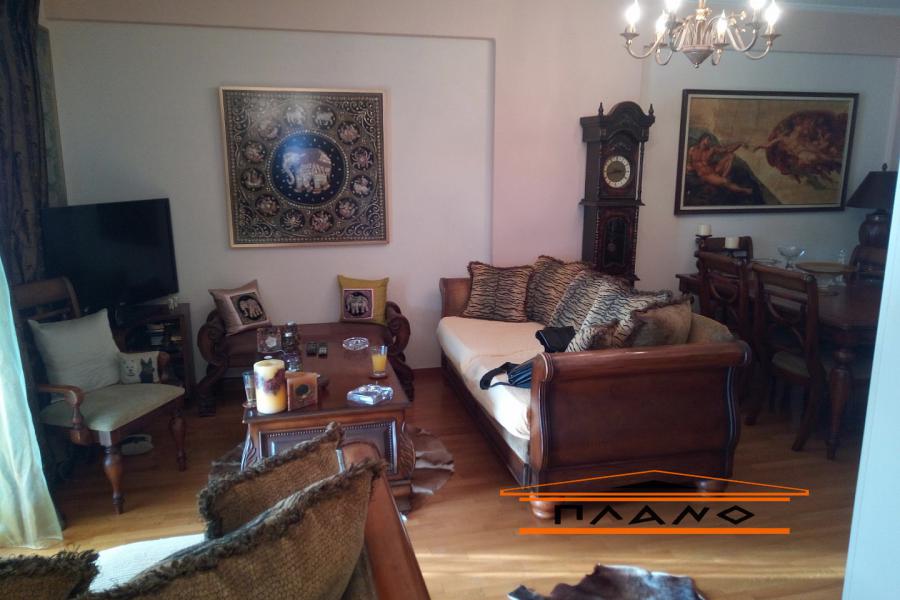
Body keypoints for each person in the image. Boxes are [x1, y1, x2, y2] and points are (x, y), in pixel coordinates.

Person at [687, 134, 752, 195]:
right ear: (702, 139)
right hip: (705, 174)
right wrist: (690, 168)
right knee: (725, 181)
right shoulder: (693, 149)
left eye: (710, 140)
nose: (709, 141)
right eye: (708, 139)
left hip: (713, 169)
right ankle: (744, 190)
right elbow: (690, 164)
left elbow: (727, 150)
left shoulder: (711, 150)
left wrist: (739, 143)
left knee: (730, 155)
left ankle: (723, 176)